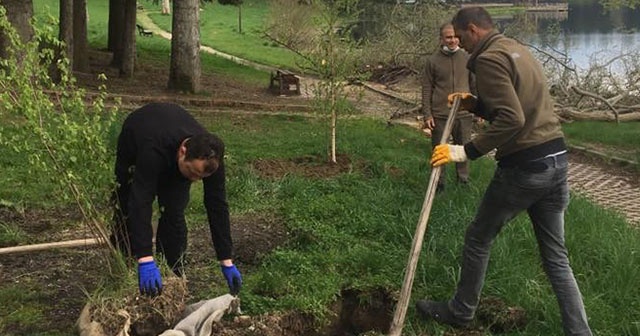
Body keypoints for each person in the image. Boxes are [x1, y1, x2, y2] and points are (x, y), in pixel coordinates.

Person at [416, 7, 592, 336]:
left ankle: (461, 311)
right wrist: (475, 104)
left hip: (525, 168)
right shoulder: (516, 49)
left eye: (461, 36)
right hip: (556, 160)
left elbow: (512, 119)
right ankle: (580, 332)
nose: (461, 44)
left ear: (472, 30)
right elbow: (516, 104)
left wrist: (465, 150)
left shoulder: (488, 59)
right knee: (556, 256)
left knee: (478, 237)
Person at [111, 102, 242, 297]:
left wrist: (226, 258)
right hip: (138, 137)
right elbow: (141, 201)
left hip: (171, 148)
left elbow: (217, 206)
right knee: (127, 205)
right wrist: (145, 257)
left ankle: (172, 276)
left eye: (200, 178)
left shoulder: (211, 160)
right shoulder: (153, 149)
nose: (195, 181)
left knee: (174, 212)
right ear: (183, 151)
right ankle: (128, 266)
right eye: (192, 173)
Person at [422, 22, 474, 192]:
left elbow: (474, 84)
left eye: (455, 37)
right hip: (440, 114)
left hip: (464, 113)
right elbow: (427, 88)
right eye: (448, 37)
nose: (452, 40)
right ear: (441, 39)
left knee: (463, 148)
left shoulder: (467, 58)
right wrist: (427, 114)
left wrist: (478, 107)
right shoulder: (432, 61)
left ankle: (463, 181)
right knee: (439, 150)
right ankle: (438, 183)